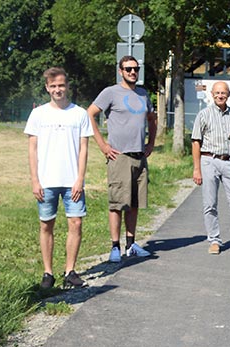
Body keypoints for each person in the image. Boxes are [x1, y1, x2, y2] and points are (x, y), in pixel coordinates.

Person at [24, 67, 93, 289]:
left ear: (68, 86)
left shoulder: (79, 114)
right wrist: (35, 180)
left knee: (76, 223)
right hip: (46, 181)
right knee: (46, 225)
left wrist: (79, 179)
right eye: (53, 86)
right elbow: (32, 149)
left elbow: (84, 149)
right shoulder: (38, 114)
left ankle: (70, 271)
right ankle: (48, 273)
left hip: (72, 181)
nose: (57, 89)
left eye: (61, 85)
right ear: (47, 88)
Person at [87, 55, 157, 263]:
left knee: (134, 203)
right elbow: (89, 114)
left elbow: (152, 120)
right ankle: (115, 246)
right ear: (120, 71)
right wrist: (102, 145)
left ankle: (131, 244)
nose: (133, 72)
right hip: (119, 156)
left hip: (139, 156)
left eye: (135, 69)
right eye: (128, 69)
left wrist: (151, 143)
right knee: (118, 203)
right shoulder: (111, 92)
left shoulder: (143, 94)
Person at [191, 82, 230, 255]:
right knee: (210, 204)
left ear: (228, 94)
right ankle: (214, 240)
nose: (220, 96)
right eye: (217, 93)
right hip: (209, 160)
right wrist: (196, 169)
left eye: (223, 93)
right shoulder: (203, 115)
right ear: (212, 94)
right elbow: (196, 142)